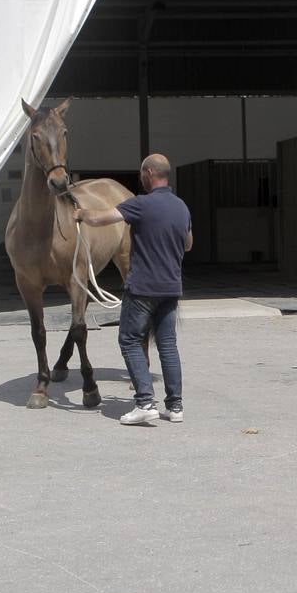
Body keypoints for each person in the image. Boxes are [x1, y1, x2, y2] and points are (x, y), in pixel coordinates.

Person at [74, 154, 193, 425]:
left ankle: (144, 402)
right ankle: (175, 407)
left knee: (128, 340)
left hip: (142, 289)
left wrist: (81, 213)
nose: (141, 177)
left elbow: (102, 219)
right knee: (168, 345)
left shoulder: (140, 204)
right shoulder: (181, 207)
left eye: (142, 173)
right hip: (171, 288)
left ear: (149, 173)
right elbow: (188, 244)